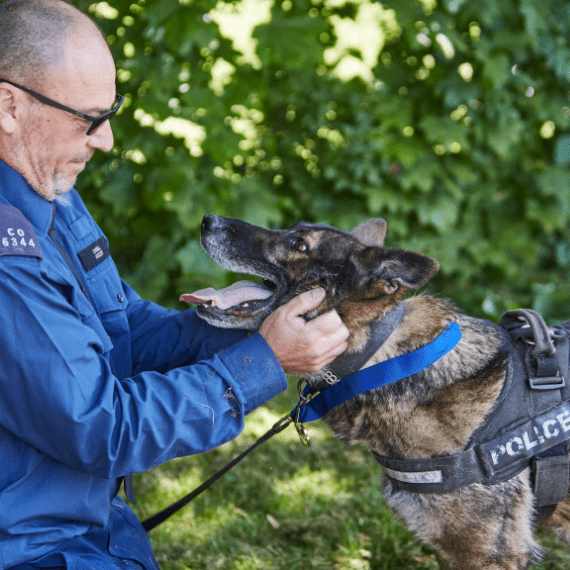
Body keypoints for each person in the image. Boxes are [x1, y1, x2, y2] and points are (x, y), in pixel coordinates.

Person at [0, 1, 350, 568]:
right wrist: (263, 361)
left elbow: (124, 333)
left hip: (96, 530)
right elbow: (102, 427)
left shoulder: (47, 185)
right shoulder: (6, 257)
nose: (107, 140)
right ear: (9, 105)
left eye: (110, 112)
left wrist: (246, 321)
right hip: (32, 548)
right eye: (88, 119)